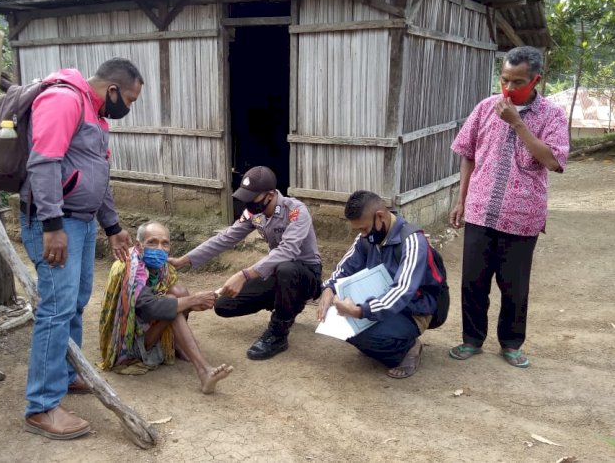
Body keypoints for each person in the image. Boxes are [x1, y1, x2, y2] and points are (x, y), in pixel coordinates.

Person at [20, 58, 143, 440]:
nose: (130, 107)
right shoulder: (63, 99)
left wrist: (113, 226)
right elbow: (44, 163)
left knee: (74, 302)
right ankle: (41, 406)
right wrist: (52, 224)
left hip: (83, 222)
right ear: (111, 89)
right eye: (130, 98)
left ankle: (66, 375)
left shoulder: (96, 115)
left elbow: (97, 175)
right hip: (58, 224)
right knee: (55, 310)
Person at [448, 46, 569, 369]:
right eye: (505, 80)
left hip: (522, 216)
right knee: (473, 281)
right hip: (480, 209)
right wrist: (461, 200)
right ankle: (472, 339)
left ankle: (511, 343)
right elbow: (468, 154)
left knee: (514, 286)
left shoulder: (552, 115)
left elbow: (553, 160)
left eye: (518, 82)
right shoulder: (486, 108)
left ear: (536, 81)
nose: (509, 89)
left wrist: (518, 124)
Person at [170, 166, 322, 360]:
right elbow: (225, 238)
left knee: (286, 268)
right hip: (277, 273)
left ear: (270, 195)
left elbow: (287, 251)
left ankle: (278, 334)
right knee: (225, 306)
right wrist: (183, 260)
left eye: (253, 197)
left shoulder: (295, 211)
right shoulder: (254, 213)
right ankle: (286, 303)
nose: (249, 203)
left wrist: (244, 275)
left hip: (307, 275)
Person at [99, 221, 234, 393]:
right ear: (139, 246)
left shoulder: (164, 268)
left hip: (150, 327)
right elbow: (151, 307)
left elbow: (175, 300)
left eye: (165, 243)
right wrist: (193, 301)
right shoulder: (128, 268)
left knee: (179, 291)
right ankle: (204, 370)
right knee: (172, 304)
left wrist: (193, 304)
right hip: (130, 341)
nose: (159, 248)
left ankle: (178, 345)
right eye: (152, 242)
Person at [318, 191, 439, 379]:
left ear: (380, 216)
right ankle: (379, 340)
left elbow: (401, 291)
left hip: (413, 311)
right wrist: (329, 288)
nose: (362, 234)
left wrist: (359, 311)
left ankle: (410, 348)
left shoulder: (413, 241)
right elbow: (346, 265)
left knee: (363, 333)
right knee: (343, 326)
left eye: (364, 229)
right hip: (379, 302)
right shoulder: (367, 237)